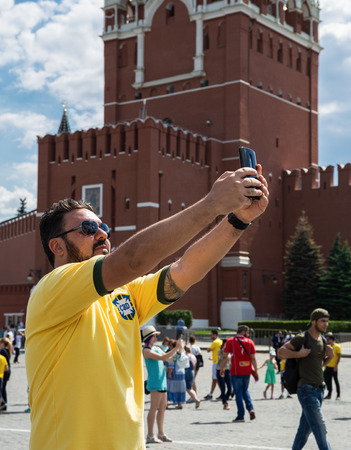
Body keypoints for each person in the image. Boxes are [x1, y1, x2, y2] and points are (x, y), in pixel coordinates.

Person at [25, 165, 268, 449]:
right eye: (88, 229)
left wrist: (237, 221)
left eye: (103, 227)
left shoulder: (124, 291)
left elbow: (185, 270)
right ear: (57, 247)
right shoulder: (51, 289)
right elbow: (132, 260)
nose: (102, 234)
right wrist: (212, 204)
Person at [278, 308, 334, 450]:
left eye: (327, 321)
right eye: (322, 321)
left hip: (320, 390)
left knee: (304, 431)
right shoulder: (303, 338)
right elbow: (281, 352)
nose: (325, 324)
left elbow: (319, 365)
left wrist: (330, 358)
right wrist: (299, 354)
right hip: (307, 389)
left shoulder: (322, 340)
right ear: (313, 321)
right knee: (320, 427)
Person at [142, 326, 181, 444]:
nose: (156, 337)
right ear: (149, 337)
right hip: (155, 381)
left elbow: (170, 359)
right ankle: (150, 435)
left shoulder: (157, 348)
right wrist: (176, 348)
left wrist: (179, 351)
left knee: (163, 407)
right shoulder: (146, 351)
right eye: (154, 335)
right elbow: (164, 357)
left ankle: (161, 433)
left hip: (162, 381)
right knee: (153, 408)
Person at [220, 325, 258, 422]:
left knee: (238, 393)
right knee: (245, 390)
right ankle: (251, 409)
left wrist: (222, 368)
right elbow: (253, 358)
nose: (248, 334)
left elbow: (225, 356)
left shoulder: (230, 341)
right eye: (248, 332)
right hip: (247, 370)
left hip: (236, 371)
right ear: (243, 332)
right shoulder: (250, 342)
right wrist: (256, 370)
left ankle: (241, 416)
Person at [165, 339, 186, 409]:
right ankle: (179, 403)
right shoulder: (180, 353)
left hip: (174, 372)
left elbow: (171, 364)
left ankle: (166, 403)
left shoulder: (172, 353)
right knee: (179, 388)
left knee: (169, 387)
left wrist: (169, 373)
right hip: (181, 372)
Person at [204, 329, 223, 400]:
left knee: (215, 379)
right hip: (220, 361)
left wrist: (208, 349)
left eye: (211, 335)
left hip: (216, 362)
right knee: (216, 379)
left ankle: (219, 393)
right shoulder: (220, 341)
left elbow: (208, 350)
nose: (210, 336)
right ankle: (212, 393)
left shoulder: (215, 342)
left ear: (215, 335)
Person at [324, 333, 341, 400]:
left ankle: (338, 394)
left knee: (336, 380)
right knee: (329, 381)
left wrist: (336, 365)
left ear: (331, 339)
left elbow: (339, 356)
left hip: (333, 366)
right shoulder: (327, 346)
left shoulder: (337, 347)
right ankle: (329, 394)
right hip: (328, 366)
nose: (327, 340)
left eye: (328, 339)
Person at [217, 338, 232, 410]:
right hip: (220, 370)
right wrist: (225, 351)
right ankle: (225, 403)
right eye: (226, 344)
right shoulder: (220, 351)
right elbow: (221, 358)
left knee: (230, 388)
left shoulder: (229, 352)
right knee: (223, 388)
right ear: (223, 344)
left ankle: (225, 399)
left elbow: (230, 361)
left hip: (227, 370)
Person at [0, 337, 12, 410]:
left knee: (2, 388)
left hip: (4, 370)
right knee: (3, 387)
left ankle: (3, 403)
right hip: (7, 370)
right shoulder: (7, 350)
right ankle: (4, 403)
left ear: (3, 343)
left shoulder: (3, 351)